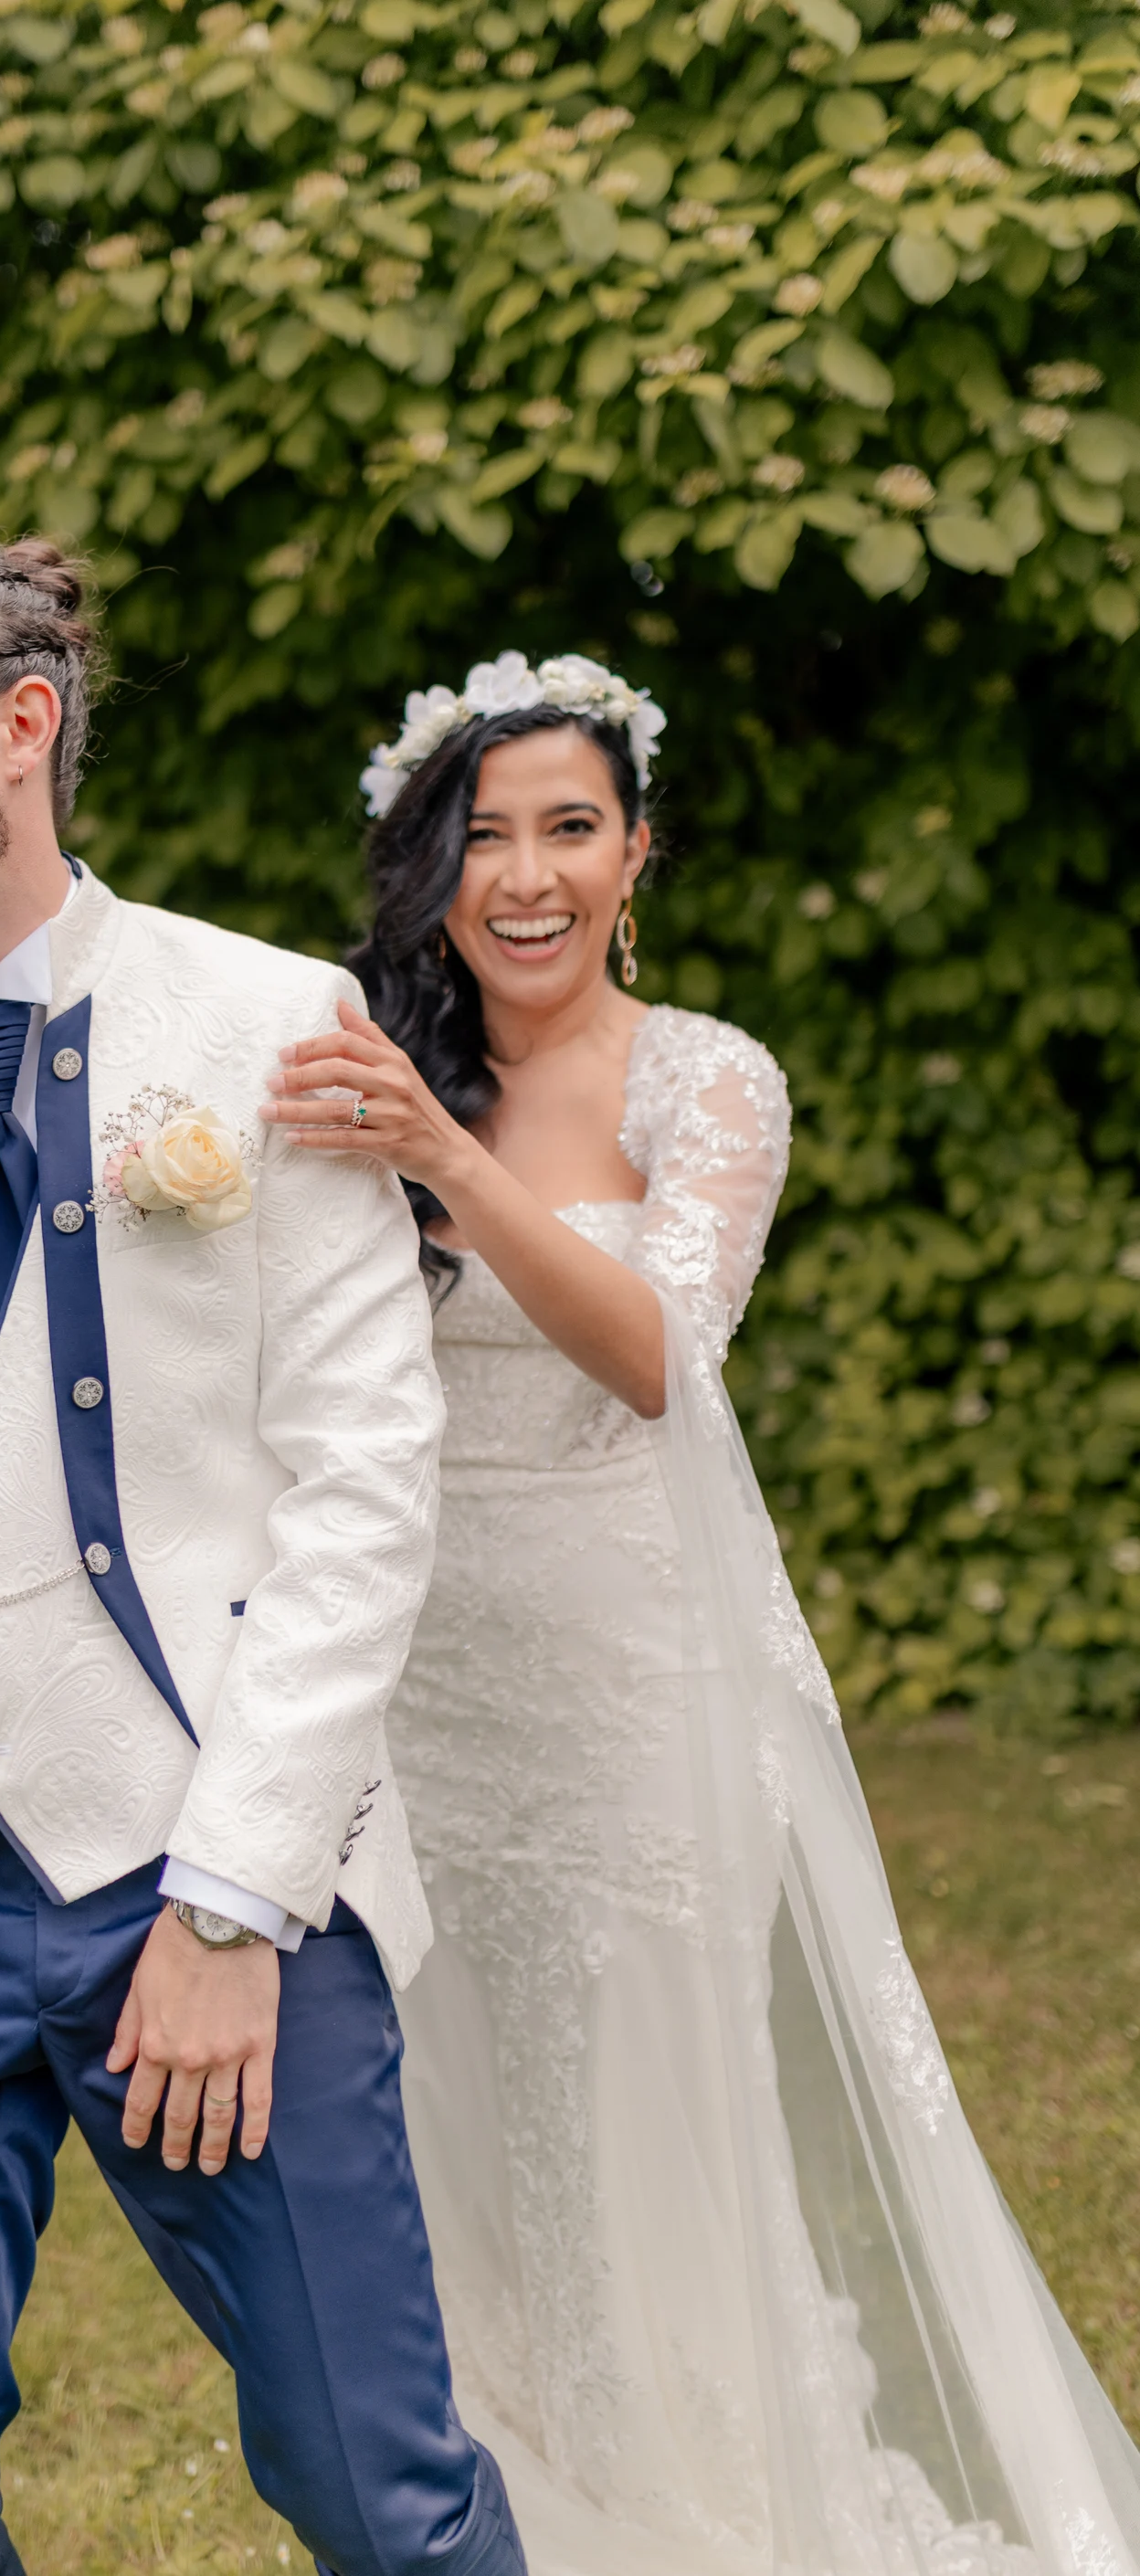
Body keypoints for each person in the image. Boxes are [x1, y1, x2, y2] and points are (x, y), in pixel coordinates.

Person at [0, 516, 526, 2576]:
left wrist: (235, 1910)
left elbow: (355, 1496)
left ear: (20, 724)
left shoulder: (268, 1028)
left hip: (219, 1855)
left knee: (376, 2500)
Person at [252, 651, 1140, 2576]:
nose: (524, 875)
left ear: (633, 851)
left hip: (622, 1689)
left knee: (646, 2140)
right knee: (450, 2145)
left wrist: (447, 1163)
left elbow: (664, 1355)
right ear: (424, 869)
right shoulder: (359, 1050)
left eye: (567, 828)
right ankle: (501, 2517)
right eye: (476, 837)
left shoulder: (708, 1076)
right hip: (407, 1689)